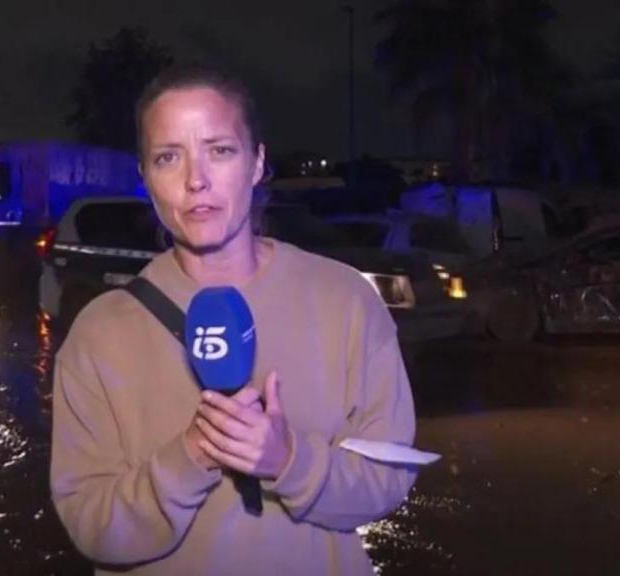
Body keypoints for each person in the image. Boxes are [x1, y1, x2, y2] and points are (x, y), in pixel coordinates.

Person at [50, 64, 417, 575]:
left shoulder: (347, 301)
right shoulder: (99, 334)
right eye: (167, 156)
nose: (195, 180)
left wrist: (289, 460)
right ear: (144, 177)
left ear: (257, 162)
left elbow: (388, 478)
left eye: (219, 150)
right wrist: (192, 456)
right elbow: (92, 526)